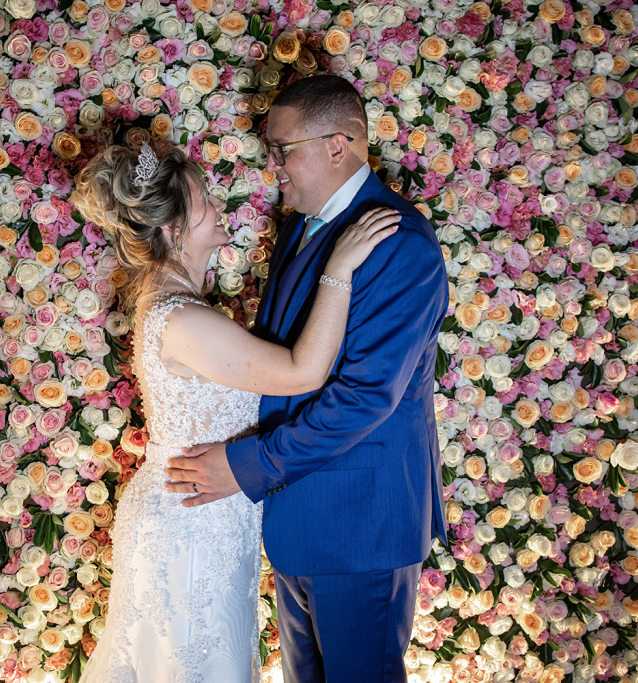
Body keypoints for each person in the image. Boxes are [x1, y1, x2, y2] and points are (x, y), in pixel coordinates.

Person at [69, 139, 400, 682]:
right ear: (173, 228)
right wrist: (339, 267)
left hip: (200, 506)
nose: (218, 204)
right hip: (191, 520)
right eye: (204, 198)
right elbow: (303, 371)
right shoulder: (183, 319)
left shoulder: (176, 303)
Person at [165, 74, 451, 682]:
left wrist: (246, 467)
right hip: (298, 517)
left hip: (359, 527)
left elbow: (364, 397)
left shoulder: (398, 245)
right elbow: (280, 357)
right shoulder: (302, 224)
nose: (273, 167)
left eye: (282, 150)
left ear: (337, 146)